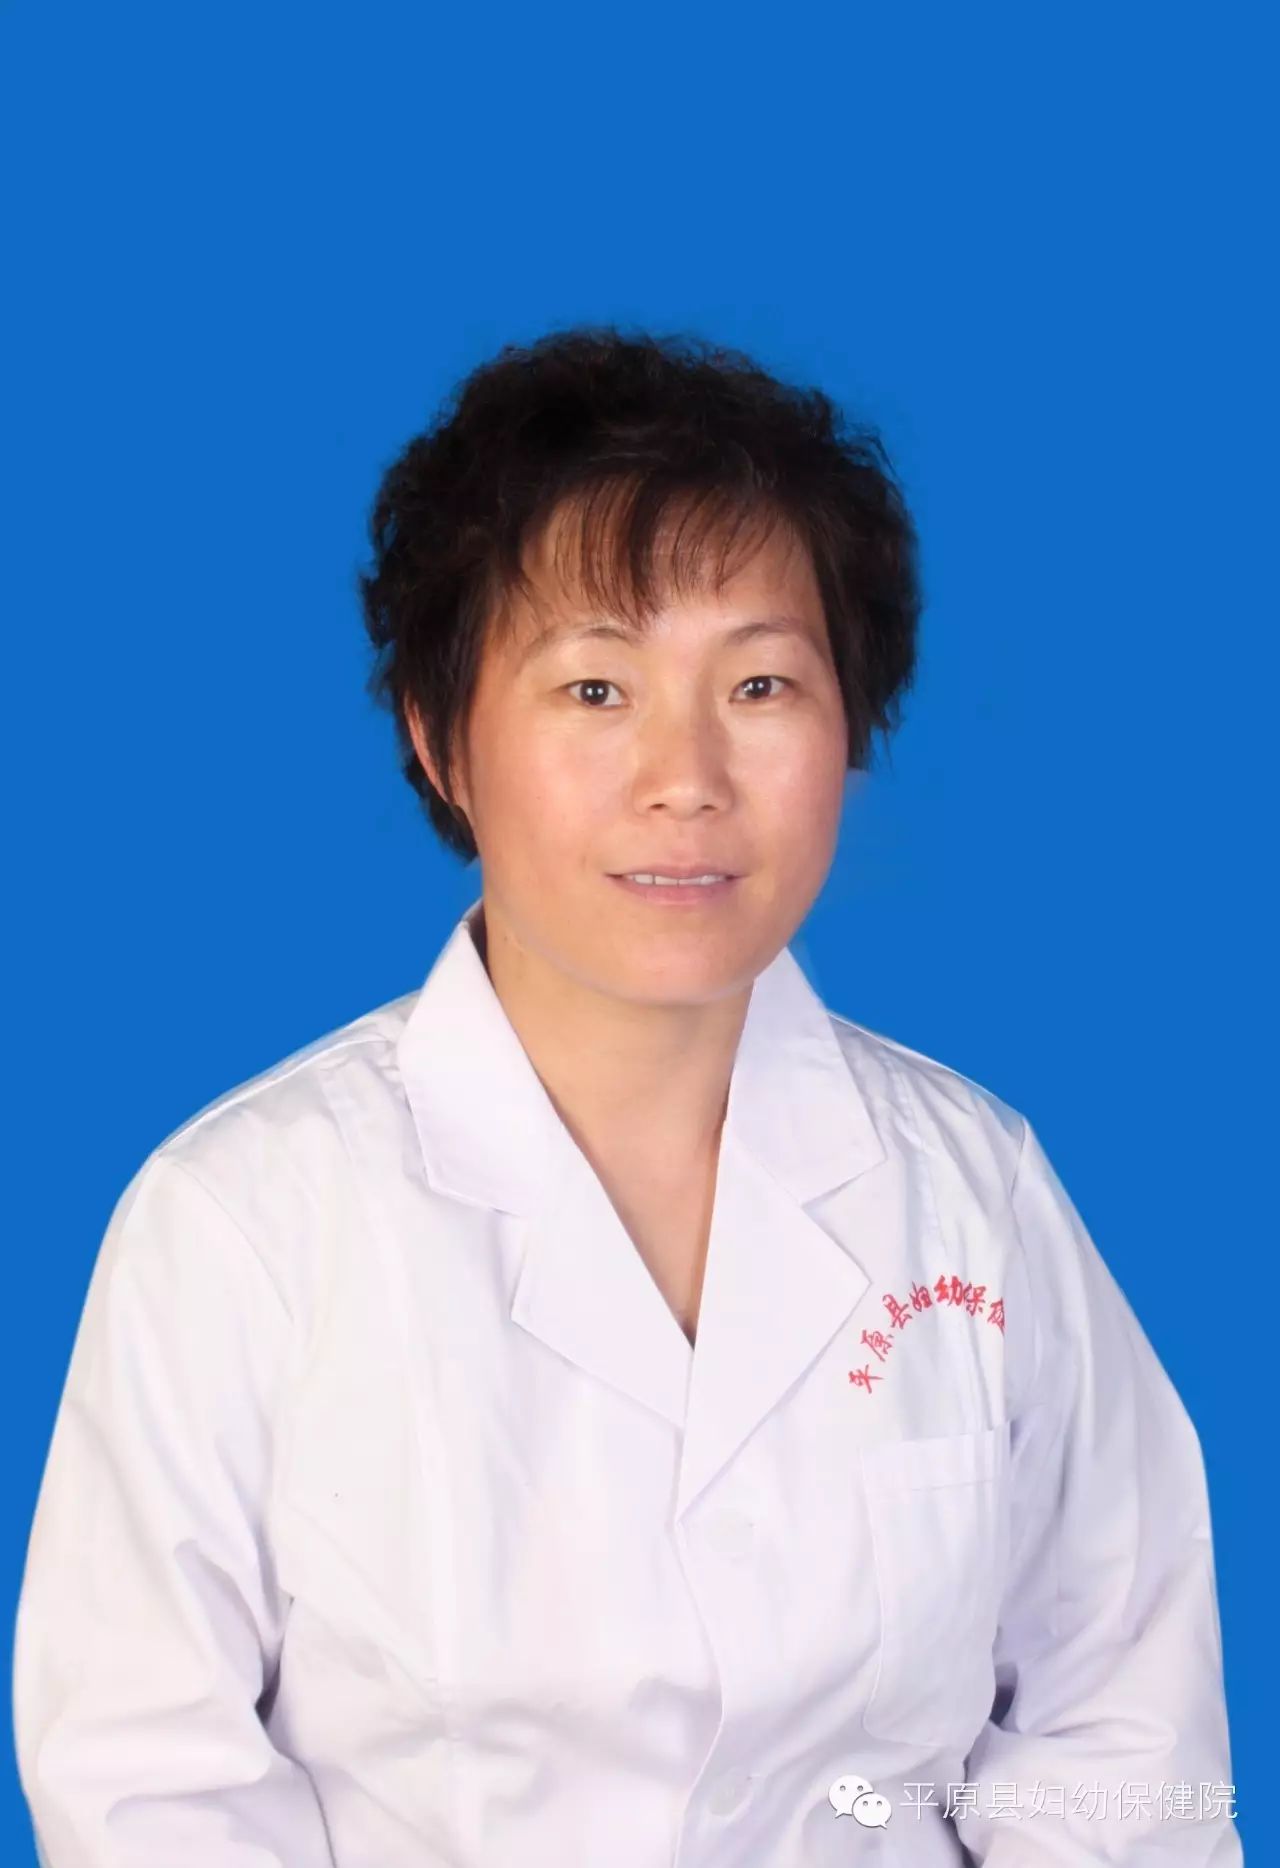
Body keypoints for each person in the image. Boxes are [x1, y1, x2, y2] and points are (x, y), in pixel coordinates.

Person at [12, 327, 1241, 1866]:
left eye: (762, 684)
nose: (687, 776)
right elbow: (148, 1788)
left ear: (851, 730)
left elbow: (1128, 1733)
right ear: (441, 740)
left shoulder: (975, 1193)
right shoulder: (244, 1221)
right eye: (595, 687)